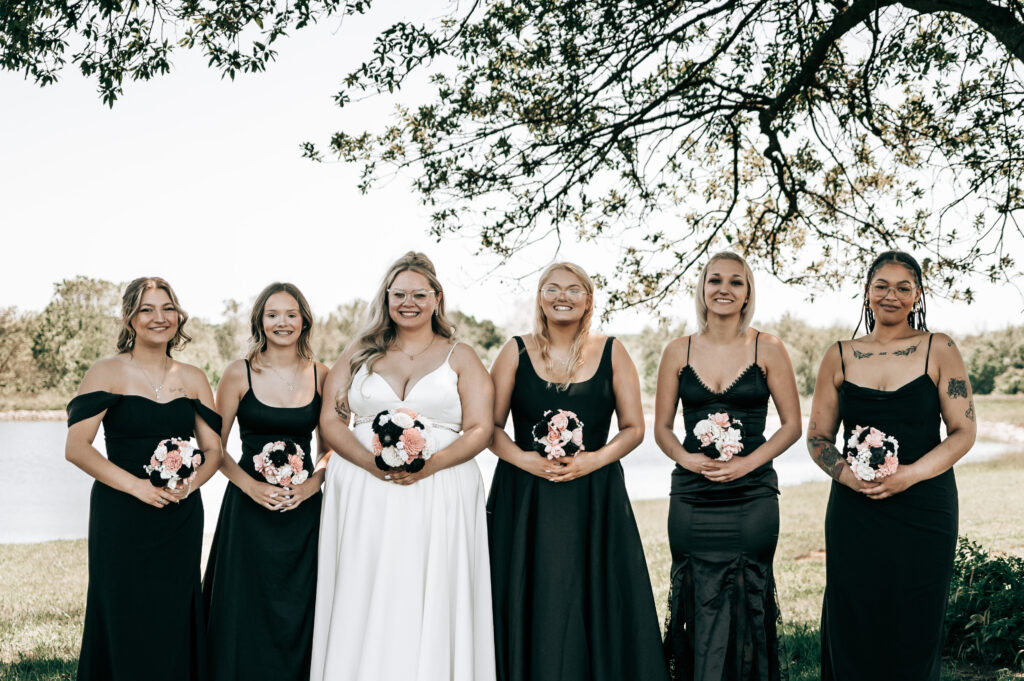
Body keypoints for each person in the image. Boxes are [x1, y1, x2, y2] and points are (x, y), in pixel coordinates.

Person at [310, 251, 496, 681]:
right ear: (387, 298)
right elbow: (330, 420)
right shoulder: (360, 351)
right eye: (398, 294)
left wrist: (432, 465)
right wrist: (371, 465)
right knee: (366, 585)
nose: (407, 302)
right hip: (363, 489)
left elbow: (480, 429)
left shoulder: (461, 356)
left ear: (436, 298)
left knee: (428, 587)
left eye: (418, 294)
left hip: (440, 489)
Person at [487, 262, 668, 681]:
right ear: (540, 296)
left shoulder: (613, 350)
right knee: (532, 594)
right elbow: (489, 429)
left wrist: (593, 459)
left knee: (595, 594)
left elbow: (634, 428)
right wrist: (526, 459)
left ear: (588, 299)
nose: (562, 296)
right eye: (552, 288)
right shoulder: (514, 351)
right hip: (525, 497)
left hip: (595, 494)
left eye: (573, 289)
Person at [807, 250, 977, 681]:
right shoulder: (840, 355)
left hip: (925, 509)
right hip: (854, 510)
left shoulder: (939, 348)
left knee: (914, 624)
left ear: (917, 295)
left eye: (904, 287)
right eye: (882, 286)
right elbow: (818, 438)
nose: (892, 295)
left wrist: (910, 475)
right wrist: (849, 477)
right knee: (854, 620)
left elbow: (963, 431)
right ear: (867, 293)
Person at [65, 277, 223, 681]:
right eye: (147, 309)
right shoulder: (106, 372)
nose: (159, 317)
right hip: (121, 515)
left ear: (178, 316)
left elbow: (214, 451)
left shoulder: (193, 377)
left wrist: (190, 484)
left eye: (167, 308)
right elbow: (78, 447)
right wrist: (137, 487)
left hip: (179, 516)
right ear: (129, 318)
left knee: (173, 613)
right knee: (121, 611)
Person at [654, 251, 801, 681]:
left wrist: (748, 465)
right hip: (692, 496)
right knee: (694, 597)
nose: (724, 289)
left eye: (735, 282)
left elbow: (792, 425)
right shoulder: (676, 351)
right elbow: (661, 428)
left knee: (747, 594)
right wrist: (687, 459)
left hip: (751, 496)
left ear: (747, 292)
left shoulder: (767, 348)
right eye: (714, 280)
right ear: (702, 289)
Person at [202, 282, 329, 681]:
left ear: (304, 321)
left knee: (300, 602)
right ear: (259, 320)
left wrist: (313, 485)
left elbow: (330, 449)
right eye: (273, 314)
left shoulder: (321, 374)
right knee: (244, 602)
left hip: (302, 513)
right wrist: (251, 486)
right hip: (248, 510)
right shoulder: (238, 373)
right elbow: (215, 450)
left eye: (291, 314)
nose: (282, 323)